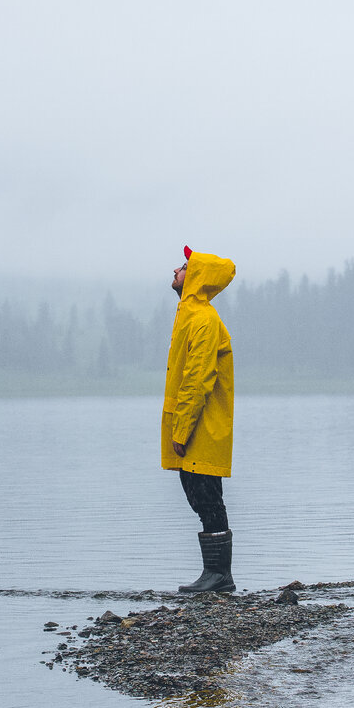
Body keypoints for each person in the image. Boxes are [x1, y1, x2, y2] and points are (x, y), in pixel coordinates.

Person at [161, 245, 237, 593]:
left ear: (195, 276)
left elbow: (197, 379)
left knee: (206, 497)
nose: (174, 270)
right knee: (199, 496)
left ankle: (219, 576)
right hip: (196, 426)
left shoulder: (203, 319)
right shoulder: (190, 315)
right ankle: (215, 574)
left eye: (182, 266)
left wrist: (182, 427)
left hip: (201, 428)